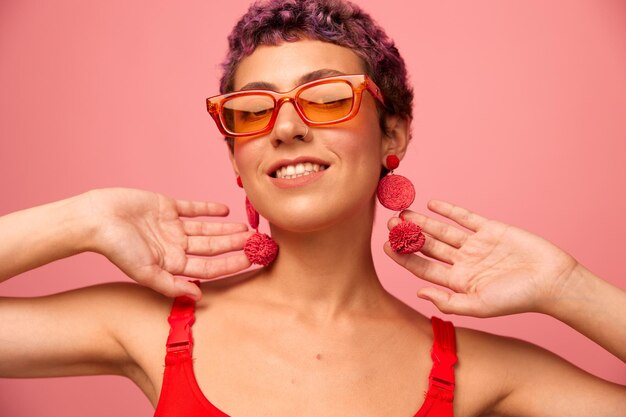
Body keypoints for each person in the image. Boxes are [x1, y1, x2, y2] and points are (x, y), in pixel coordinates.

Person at [1, 0, 625, 415]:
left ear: (394, 134)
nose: (285, 129)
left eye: (327, 98)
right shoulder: (152, 328)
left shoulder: (480, 372)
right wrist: (82, 220)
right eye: (253, 110)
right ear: (236, 156)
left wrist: (567, 288)